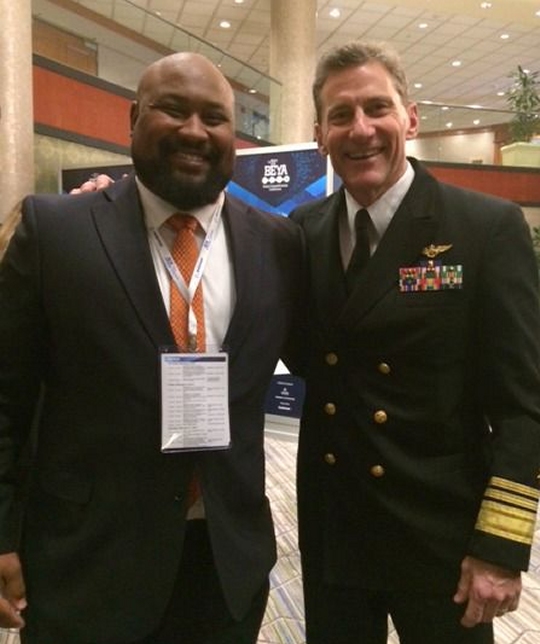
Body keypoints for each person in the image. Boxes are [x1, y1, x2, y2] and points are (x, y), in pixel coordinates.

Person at [0, 51, 304, 644]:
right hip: (87, 561)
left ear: (233, 137)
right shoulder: (55, 231)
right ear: (133, 118)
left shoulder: (279, 243)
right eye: (173, 109)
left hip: (224, 562)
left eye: (214, 117)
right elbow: (3, 396)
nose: (195, 130)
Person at [287, 41, 540, 644]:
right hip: (336, 528)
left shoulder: (484, 228)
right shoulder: (300, 234)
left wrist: (501, 546)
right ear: (320, 133)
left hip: (443, 536)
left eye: (377, 107)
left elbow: (524, 405)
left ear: (411, 117)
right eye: (341, 115)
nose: (361, 129)